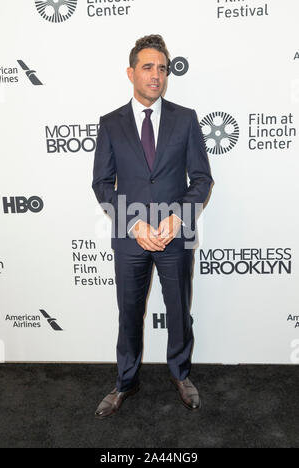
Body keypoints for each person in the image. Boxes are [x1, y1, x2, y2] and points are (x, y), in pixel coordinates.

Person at [92, 34, 213, 418]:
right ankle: (125, 382)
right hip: (130, 238)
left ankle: (180, 374)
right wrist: (133, 224)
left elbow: (202, 179)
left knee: (179, 309)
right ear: (131, 72)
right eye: (148, 67)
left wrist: (178, 218)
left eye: (162, 68)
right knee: (129, 312)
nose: (156, 75)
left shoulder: (186, 118)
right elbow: (101, 184)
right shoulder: (110, 123)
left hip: (177, 233)